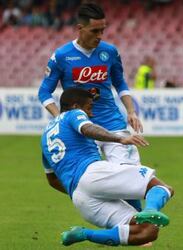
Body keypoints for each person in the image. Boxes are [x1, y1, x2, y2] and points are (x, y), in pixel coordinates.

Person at [38, 2, 143, 211]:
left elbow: (120, 83)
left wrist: (131, 111)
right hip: (81, 131)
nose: (100, 35)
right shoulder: (61, 56)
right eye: (95, 31)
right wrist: (61, 118)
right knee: (93, 182)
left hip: (112, 123)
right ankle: (121, 222)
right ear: (80, 28)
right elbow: (44, 92)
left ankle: (138, 227)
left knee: (128, 175)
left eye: (103, 30)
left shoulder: (110, 52)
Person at [41, 88, 174, 247]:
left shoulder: (45, 137)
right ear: (76, 106)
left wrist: (80, 189)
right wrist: (119, 139)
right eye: (89, 108)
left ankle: (83, 233)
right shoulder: (73, 114)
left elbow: (52, 180)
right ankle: (151, 209)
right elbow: (87, 128)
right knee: (161, 187)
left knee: (146, 232)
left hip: (79, 197)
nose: (92, 114)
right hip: (92, 172)